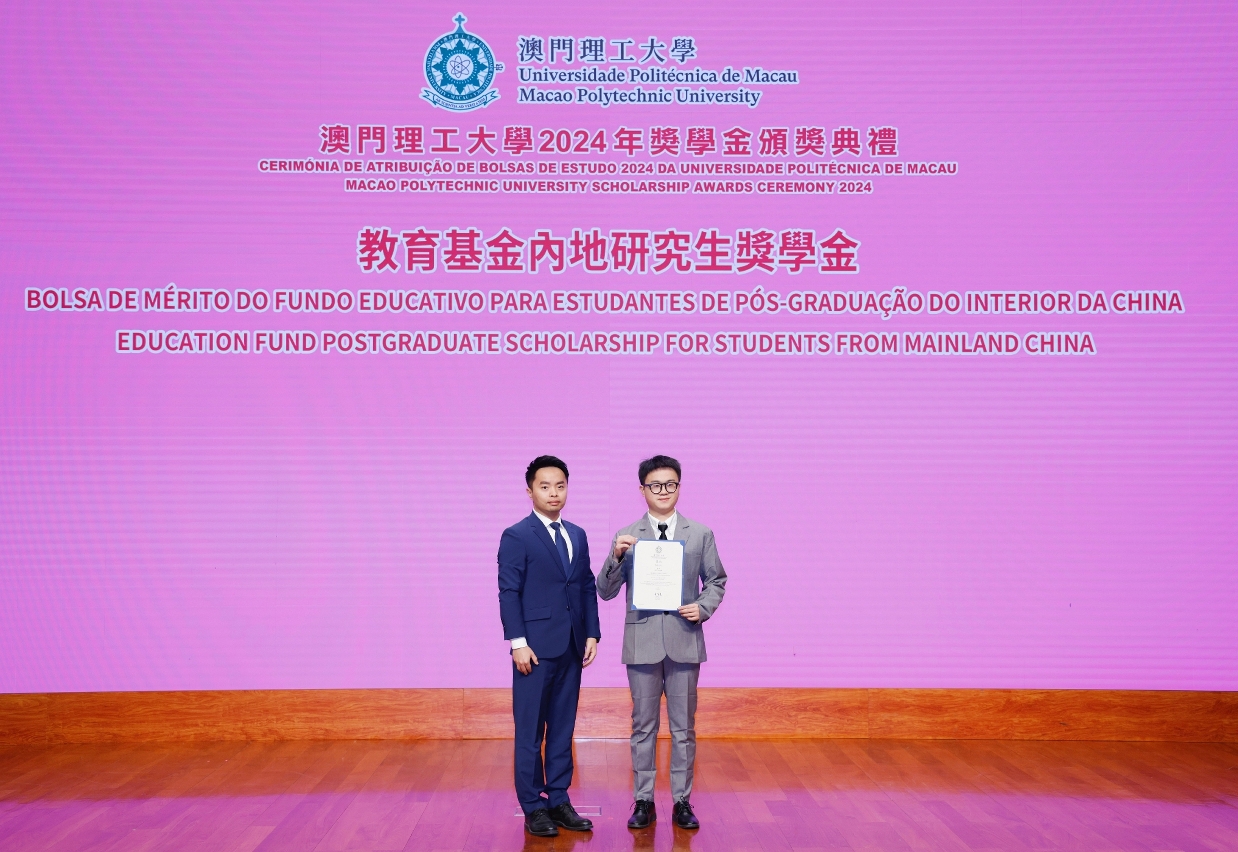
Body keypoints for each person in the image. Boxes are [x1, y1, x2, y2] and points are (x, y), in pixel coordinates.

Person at [597, 454, 727, 830]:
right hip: (642, 642)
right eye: (655, 485)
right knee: (643, 726)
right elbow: (604, 590)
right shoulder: (627, 535)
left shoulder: (700, 533)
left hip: (685, 640)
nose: (663, 491)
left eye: (670, 484)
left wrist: (703, 607)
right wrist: (616, 556)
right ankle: (644, 800)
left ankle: (682, 801)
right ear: (642, 490)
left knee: (684, 727)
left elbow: (717, 580)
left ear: (679, 487)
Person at [497, 455, 601, 838]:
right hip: (534, 650)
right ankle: (532, 805)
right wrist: (517, 643)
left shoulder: (577, 534)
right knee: (530, 732)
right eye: (545, 486)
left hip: (572, 645)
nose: (553, 493)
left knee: (562, 728)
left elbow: (585, 585)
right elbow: (509, 592)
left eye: (560, 485)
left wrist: (591, 633)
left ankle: (558, 799)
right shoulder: (517, 535)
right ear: (530, 491)